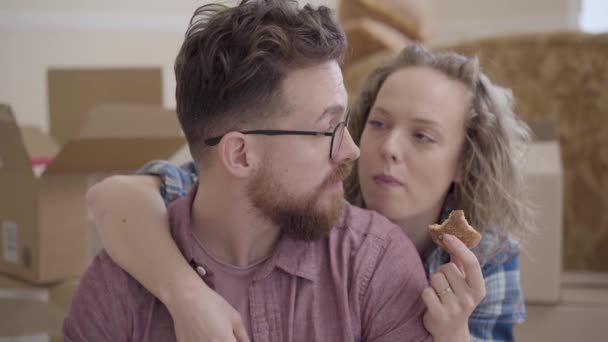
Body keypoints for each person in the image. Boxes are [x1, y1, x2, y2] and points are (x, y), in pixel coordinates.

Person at [86, 20, 532, 342]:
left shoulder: (485, 259)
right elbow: (114, 197)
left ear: (463, 161)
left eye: (423, 136)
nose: (384, 149)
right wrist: (187, 296)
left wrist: (454, 336)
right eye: (376, 123)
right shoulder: (309, 192)